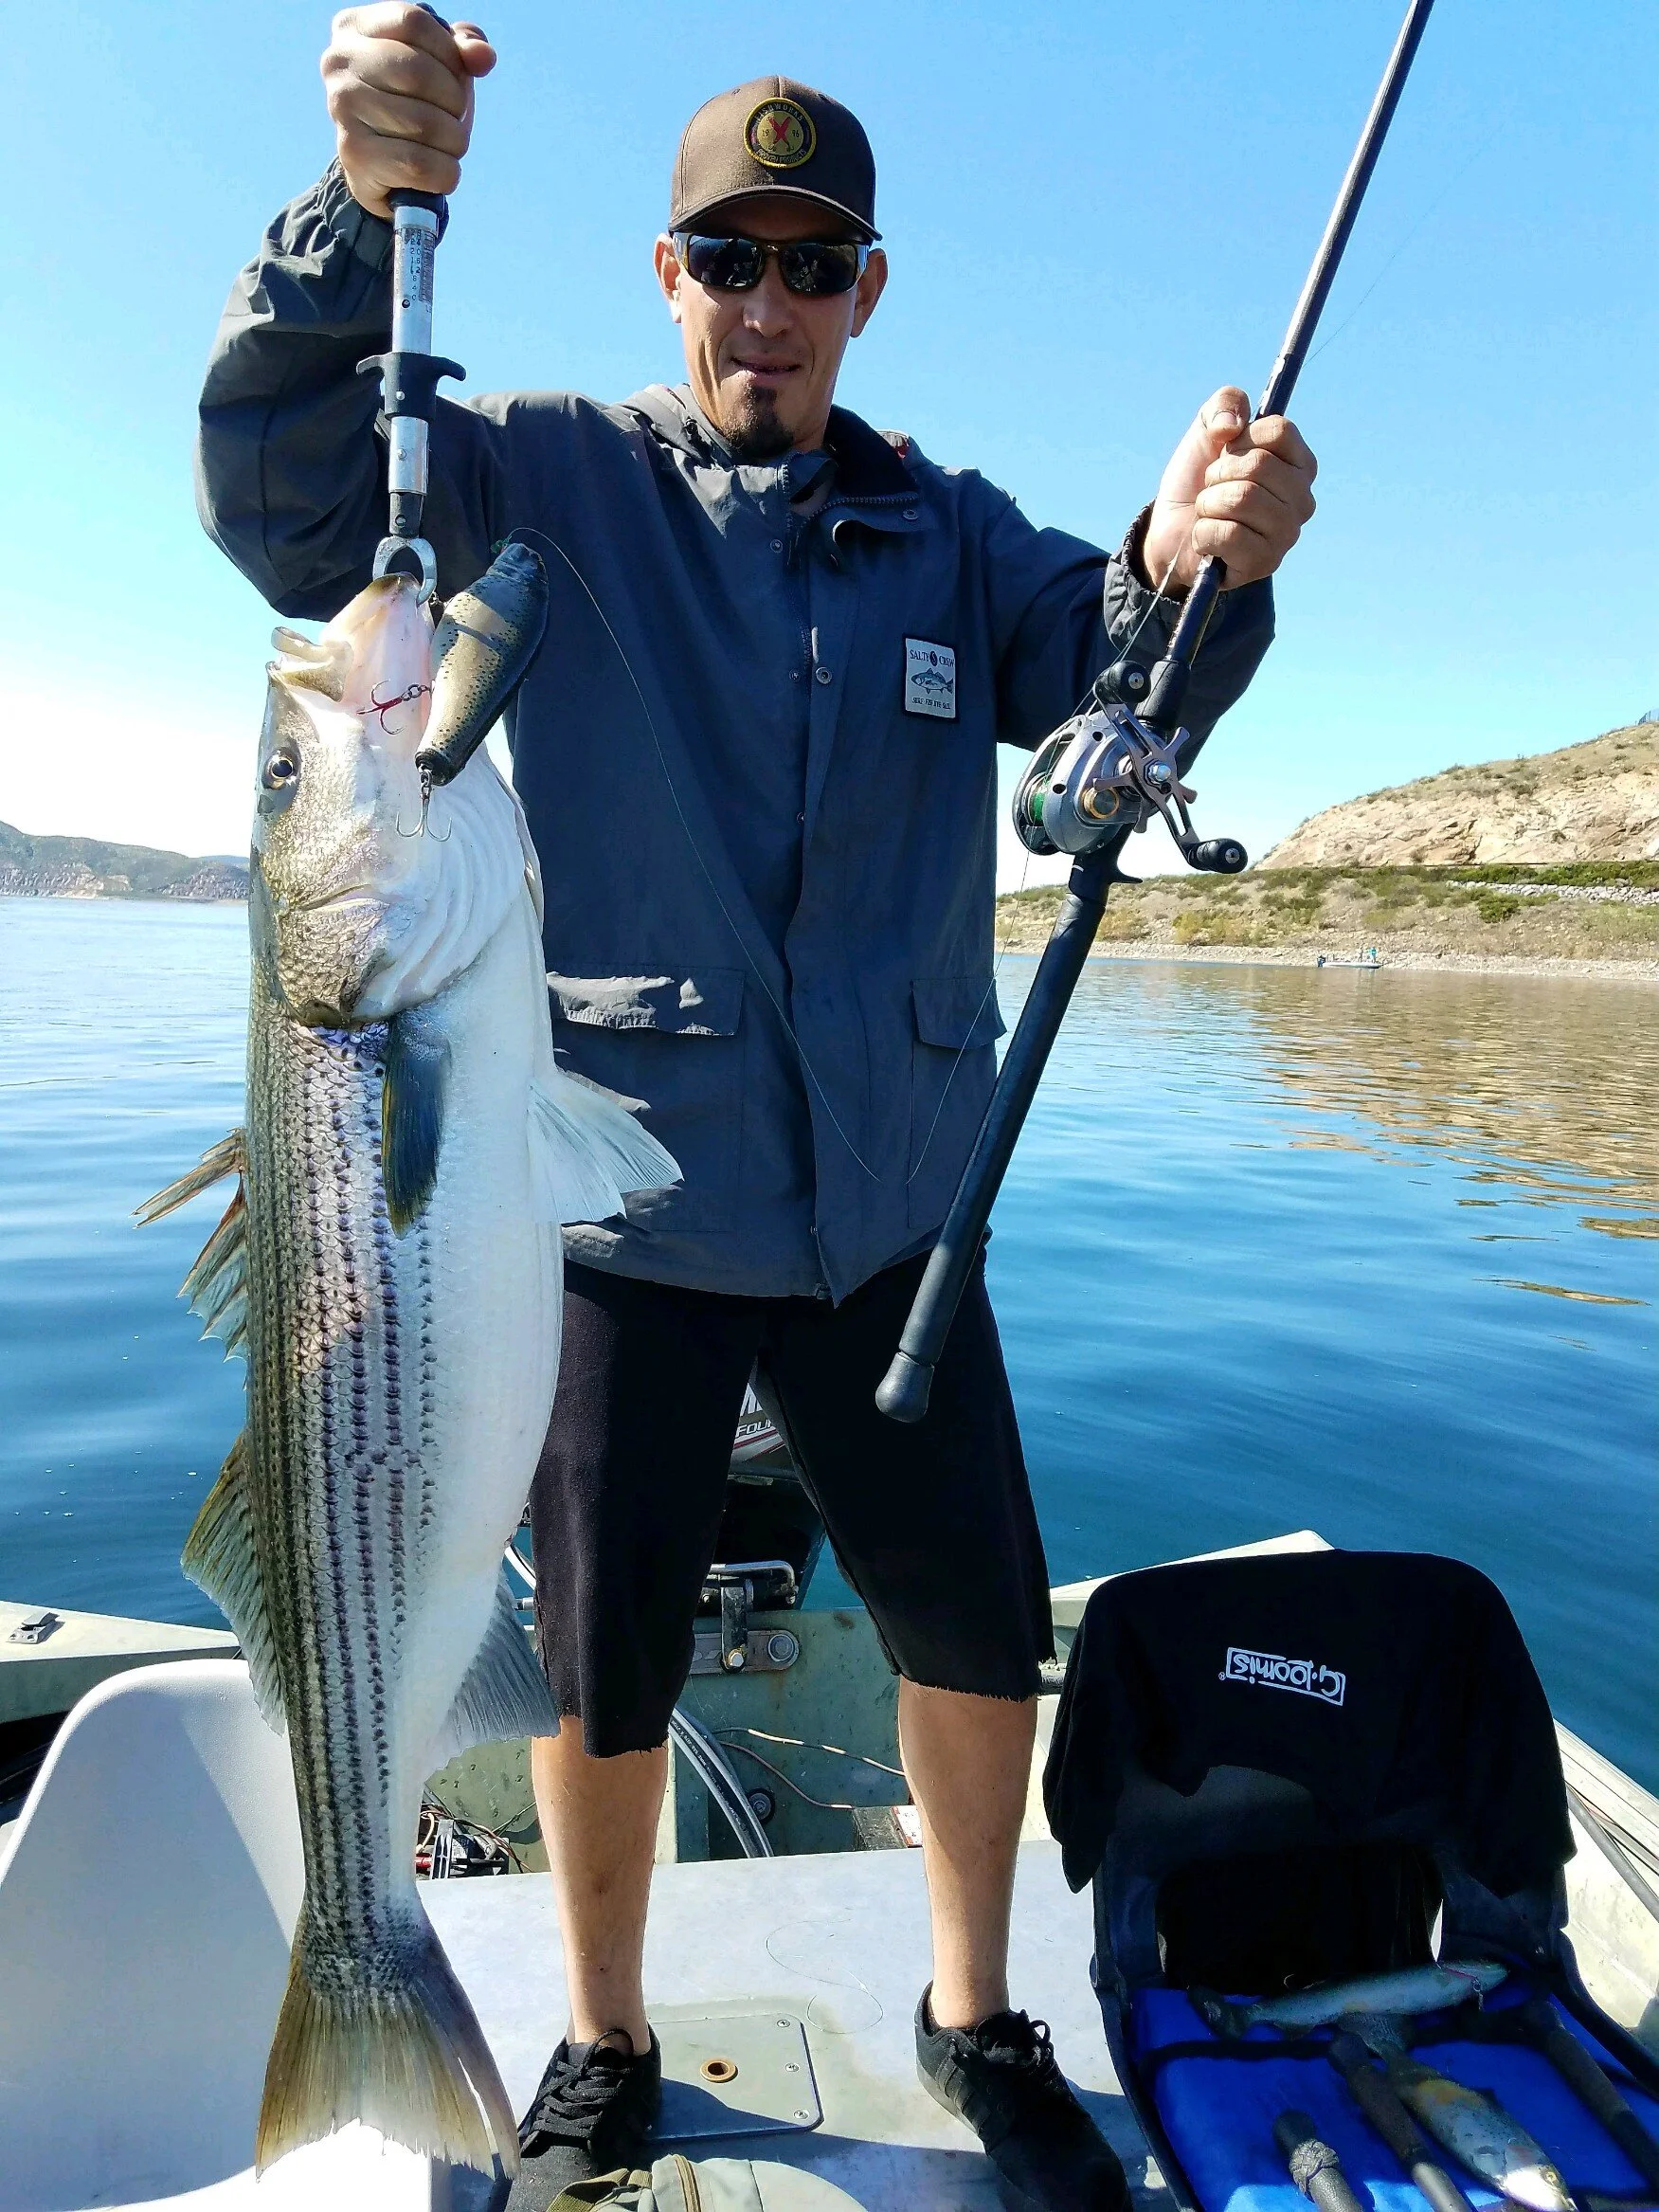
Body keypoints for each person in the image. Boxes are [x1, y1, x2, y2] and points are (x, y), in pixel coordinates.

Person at [197, 10, 1318, 2206]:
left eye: (812, 265)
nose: (767, 303)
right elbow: (297, 507)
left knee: (976, 1636)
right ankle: (602, 2038)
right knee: (596, 1664)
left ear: (864, 291)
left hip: (894, 1217)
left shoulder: (943, 531)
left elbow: (1121, 676)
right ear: (669, 276)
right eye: (729, 259)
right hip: (619, 1224)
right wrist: (350, 218)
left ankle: (972, 2010)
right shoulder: (543, 479)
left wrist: (1206, 560)